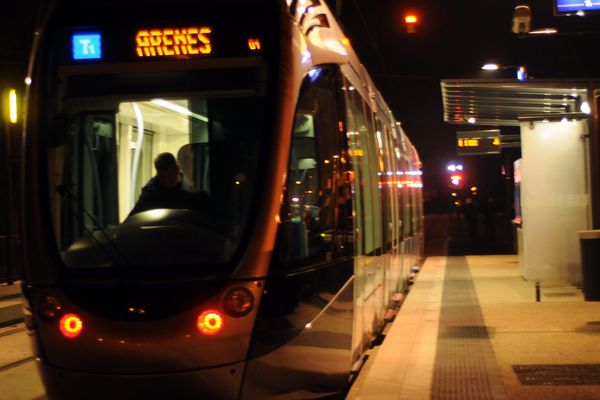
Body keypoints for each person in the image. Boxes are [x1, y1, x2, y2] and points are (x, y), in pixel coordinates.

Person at [129, 152, 207, 216]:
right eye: (162, 176)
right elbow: (134, 216)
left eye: (169, 175)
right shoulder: (150, 192)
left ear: (176, 169)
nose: (165, 180)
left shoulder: (194, 186)